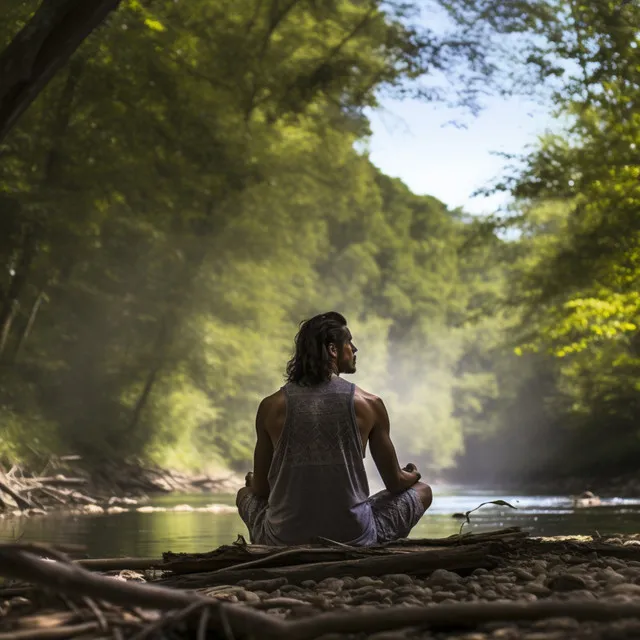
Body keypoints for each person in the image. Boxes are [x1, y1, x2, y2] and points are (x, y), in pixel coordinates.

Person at [236, 311, 432, 546]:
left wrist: (252, 481)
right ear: (332, 350)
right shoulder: (369, 404)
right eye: (349, 341)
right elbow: (395, 483)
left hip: (283, 540)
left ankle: (272, 551)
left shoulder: (271, 406)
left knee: (244, 494)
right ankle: (370, 551)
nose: (354, 348)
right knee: (423, 490)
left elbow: (260, 489)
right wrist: (413, 474)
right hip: (354, 538)